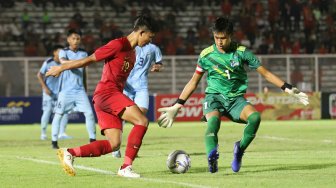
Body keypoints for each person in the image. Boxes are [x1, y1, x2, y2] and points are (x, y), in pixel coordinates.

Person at [157, 17, 309, 173]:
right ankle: (212, 156)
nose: (219, 42)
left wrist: (288, 88)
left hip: (236, 100)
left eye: (223, 38)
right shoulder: (206, 55)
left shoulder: (242, 53)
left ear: (230, 36)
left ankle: (239, 150)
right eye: (216, 38)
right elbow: (193, 82)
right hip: (214, 97)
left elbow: (266, 74)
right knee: (213, 122)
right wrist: (178, 104)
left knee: (255, 118)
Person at [46, 15, 158, 178]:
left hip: (108, 96)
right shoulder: (118, 44)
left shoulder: (132, 54)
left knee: (114, 144)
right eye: (150, 37)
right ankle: (126, 167)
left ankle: (69, 152)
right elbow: (90, 59)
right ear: (141, 32)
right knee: (142, 121)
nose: (150, 41)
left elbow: (119, 78)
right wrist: (62, 67)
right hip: (107, 93)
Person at [111, 42, 163, 158]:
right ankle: (116, 148)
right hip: (126, 87)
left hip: (141, 88)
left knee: (140, 117)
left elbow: (159, 63)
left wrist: (157, 67)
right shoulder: (129, 46)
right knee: (121, 116)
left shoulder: (154, 48)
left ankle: (133, 147)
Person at [50, 29, 96, 149]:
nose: (75, 41)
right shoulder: (63, 52)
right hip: (65, 91)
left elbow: (84, 70)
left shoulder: (83, 53)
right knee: (59, 114)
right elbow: (64, 63)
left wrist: (85, 87)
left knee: (90, 114)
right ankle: (54, 141)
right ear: (68, 39)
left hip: (80, 90)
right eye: (73, 38)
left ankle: (93, 140)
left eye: (78, 39)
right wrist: (81, 62)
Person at [37, 45, 69, 141]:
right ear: (54, 52)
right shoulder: (48, 62)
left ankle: (62, 133)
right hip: (49, 92)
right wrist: (45, 88)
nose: (61, 54)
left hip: (60, 92)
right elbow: (39, 75)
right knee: (47, 112)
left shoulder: (65, 62)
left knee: (64, 112)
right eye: (59, 52)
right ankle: (43, 134)